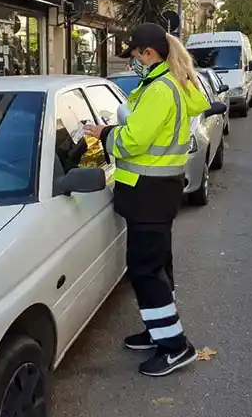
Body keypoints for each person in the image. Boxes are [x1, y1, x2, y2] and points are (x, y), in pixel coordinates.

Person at [84, 22, 209, 377]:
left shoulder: (159, 89)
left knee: (146, 270)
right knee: (157, 266)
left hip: (149, 195)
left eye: (134, 55)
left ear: (148, 53)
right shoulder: (166, 85)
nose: (131, 63)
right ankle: (158, 332)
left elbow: (133, 141)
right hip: (156, 192)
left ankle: (175, 347)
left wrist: (105, 133)